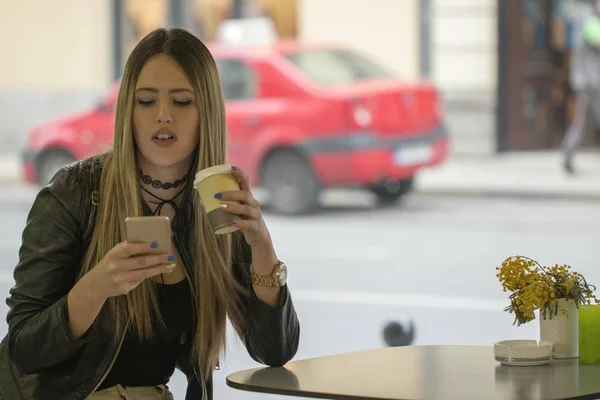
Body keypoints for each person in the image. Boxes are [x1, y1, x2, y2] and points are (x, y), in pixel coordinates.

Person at [0, 28, 300, 400]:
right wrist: (96, 287)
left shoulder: (217, 201)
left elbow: (274, 351)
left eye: (181, 101)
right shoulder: (73, 193)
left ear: (206, 109)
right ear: (128, 109)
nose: (163, 116)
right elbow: (23, 350)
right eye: (146, 101)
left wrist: (262, 246)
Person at [562, 0, 600, 174]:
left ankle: (568, 156)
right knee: (581, 122)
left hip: (588, 81)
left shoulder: (585, 19)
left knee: (582, 122)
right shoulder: (590, 21)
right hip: (590, 82)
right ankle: (568, 155)